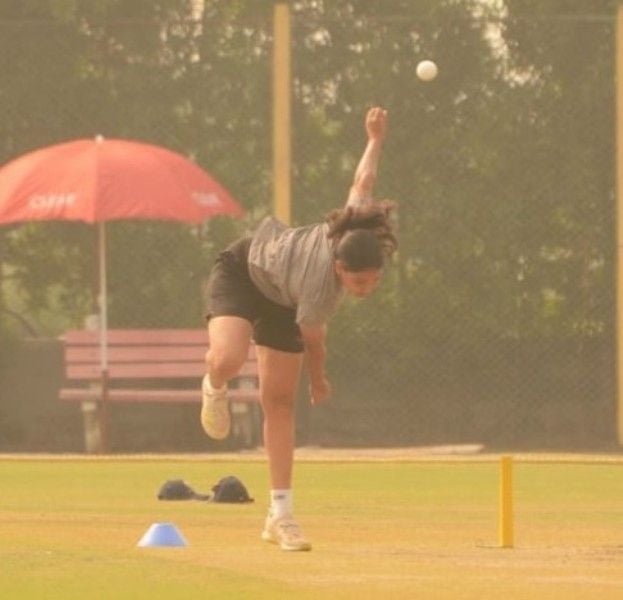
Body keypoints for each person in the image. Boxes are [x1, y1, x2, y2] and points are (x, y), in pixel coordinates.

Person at [201, 106, 397, 551]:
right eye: (359, 282)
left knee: (279, 403)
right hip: (245, 272)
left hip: (282, 300)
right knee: (229, 361)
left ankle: (281, 515)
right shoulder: (321, 288)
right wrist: (320, 379)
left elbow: (363, 182)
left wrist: (375, 139)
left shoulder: (356, 223)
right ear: (340, 267)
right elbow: (314, 340)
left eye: (374, 281)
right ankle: (212, 382)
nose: (366, 289)